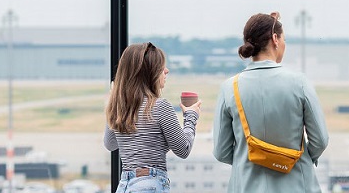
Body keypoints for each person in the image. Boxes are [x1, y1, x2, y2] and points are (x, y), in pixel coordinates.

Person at [213, 12, 330, 192]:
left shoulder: (230, 87)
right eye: (284, 38)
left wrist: (250, 160)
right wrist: (299, 159)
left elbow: (221, 151)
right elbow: (320, 140)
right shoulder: (299, 83)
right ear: (275, 38)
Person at [104, 42, 200, 193]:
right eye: (161, 67)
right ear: (150, 73)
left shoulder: (119, 108)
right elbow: (183, 149)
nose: (166, 71)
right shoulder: (160, 107)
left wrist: (114, 101)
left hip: (125, 186)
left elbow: (110, 144)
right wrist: (191, 116)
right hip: (150, 184)